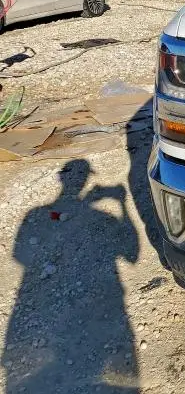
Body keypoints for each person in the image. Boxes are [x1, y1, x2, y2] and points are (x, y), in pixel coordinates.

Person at [2, 159, 140, 393]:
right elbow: (132, 254)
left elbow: (19, 257)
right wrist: (123, 204)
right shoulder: (104, 217)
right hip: (108, 302)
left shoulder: (34, 215)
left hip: (42, 310)